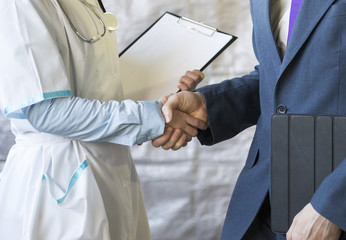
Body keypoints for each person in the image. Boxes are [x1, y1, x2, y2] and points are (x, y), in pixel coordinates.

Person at [153, 0, 346, 239]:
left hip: (340, 208)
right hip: (261, 201)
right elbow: (279, 76)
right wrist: (208, 106)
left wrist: (334, 207)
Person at [0, 0, 207, 239]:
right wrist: (157, 116)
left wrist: (166, 96)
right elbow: (46, 111)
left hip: (110, 169)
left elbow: (96, 89)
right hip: (60, 179)